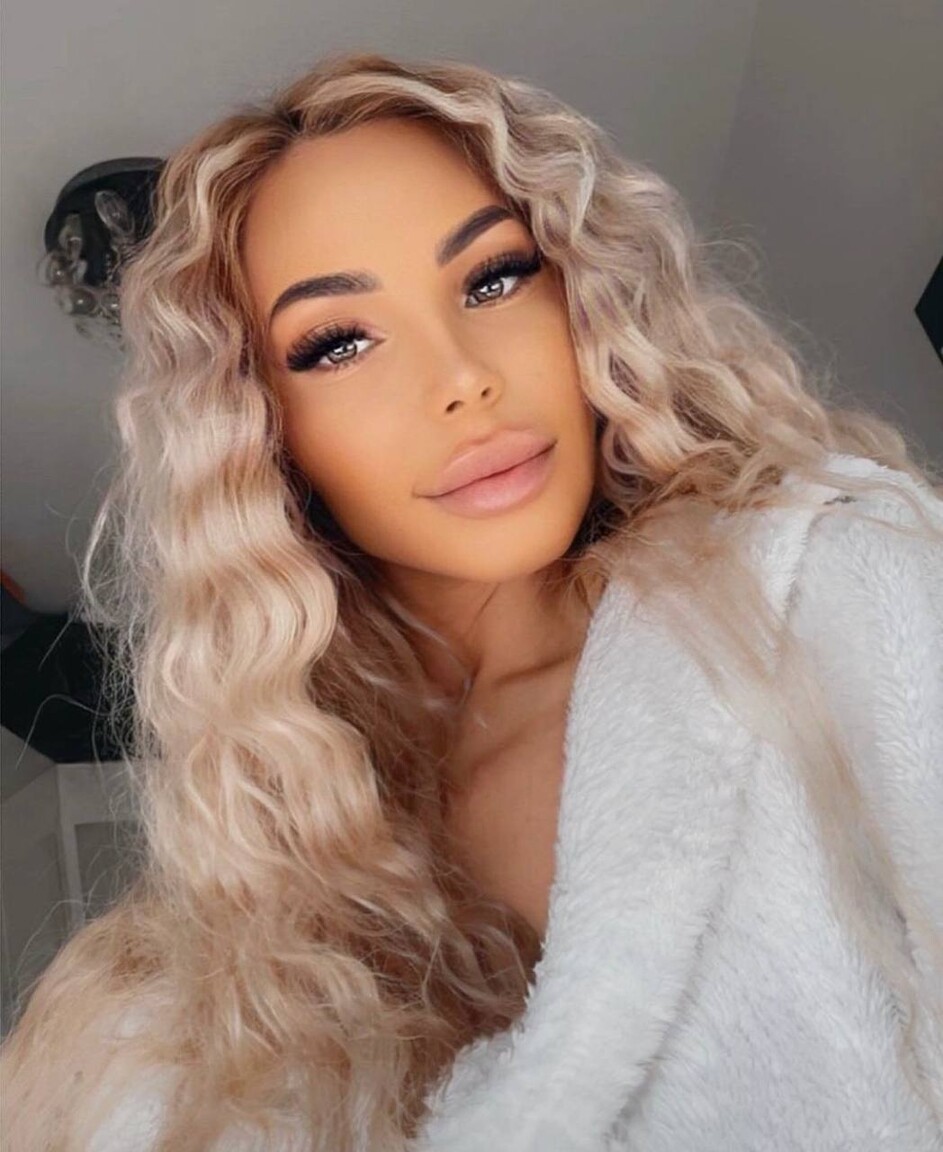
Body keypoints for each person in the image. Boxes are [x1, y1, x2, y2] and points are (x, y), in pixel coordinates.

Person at [2, 49, 942, 1152]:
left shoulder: (827, 589)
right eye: (338, 343)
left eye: (493, 278)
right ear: (263, 437)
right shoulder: (248, 921)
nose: (460, 378)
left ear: (585, 300)